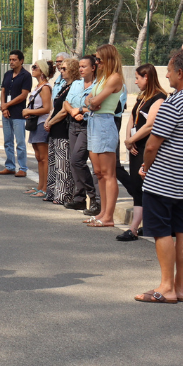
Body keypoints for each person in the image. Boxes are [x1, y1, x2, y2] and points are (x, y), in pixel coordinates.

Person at [134, 50, 183, 303]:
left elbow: (153, 144)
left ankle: (166, 286)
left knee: (162, 232)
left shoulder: (173, 102)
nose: (166, 74)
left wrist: (146, 166)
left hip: (164, 178)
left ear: (180, 72)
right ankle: (178, 287)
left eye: (168, 70)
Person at [116, 65, 167, 242]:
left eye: (138, 78)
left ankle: (134, 228)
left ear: (147, 77)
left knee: (145, 185)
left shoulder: (159, 98)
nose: (136, 81)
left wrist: (132, 140)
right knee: (138, 186)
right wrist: (129, 139)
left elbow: (150, 125)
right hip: (135, 146)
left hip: (147, 146)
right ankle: (142, 225)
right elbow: (132, 118)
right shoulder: (143, 96)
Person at [83, 44, 125, 228]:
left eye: (99, 59)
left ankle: (109, 216)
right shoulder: (102, 78)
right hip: (93, 122)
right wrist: (92, 102)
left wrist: (92, 102)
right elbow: (87, 99)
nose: (97, 62)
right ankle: (102, 211)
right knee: (98, 172)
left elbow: (95, 101)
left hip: (105, 123)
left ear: (108, 59)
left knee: (108, 174)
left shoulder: (115, 78)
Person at [62, 55, 98, 213]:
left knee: (78, 160)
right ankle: (79, 198)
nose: (81, 69)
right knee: (73, 161)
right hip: (74, 123)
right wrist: (73, 112)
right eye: (80, 67)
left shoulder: (98, 85)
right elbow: (66, 102)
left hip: (87, 125)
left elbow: (95, 105)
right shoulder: (76, 84)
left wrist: (81, 111)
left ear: (93, 68)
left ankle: (94, 197)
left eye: (84, 66)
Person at [43, 59, 78, 206]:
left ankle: (63, 195)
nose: (61, 71)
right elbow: (56, 106)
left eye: (64, 69)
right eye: (61, 69)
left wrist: (51, 122)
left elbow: (64, 111)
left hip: (63, 129)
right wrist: (48, 120)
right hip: (54, 129)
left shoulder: (75, 87)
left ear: (72, 70)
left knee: (62, 164)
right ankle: (51, 192)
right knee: (52, 163)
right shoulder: (63, 86)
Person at [22, 60, 54, 197]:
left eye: (35, 67)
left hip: (41, 124)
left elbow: (47, 108)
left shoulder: (45, 87)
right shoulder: (38, 87)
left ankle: (45, 188)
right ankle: (40, 186)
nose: (32, 68)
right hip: (35, 124)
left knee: (44, 157)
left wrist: (29, 112)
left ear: (42, 71)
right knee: (38, 157)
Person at [0, 50, 32, 177]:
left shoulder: (26, 76)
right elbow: (3, 91)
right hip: (6, 113)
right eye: (10, 59)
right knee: (8, 141)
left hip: (18, 114)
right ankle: (10, 166)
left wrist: (8, 104)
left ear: (21, 61)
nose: (11, 62)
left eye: (14, 60)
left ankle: (22, 167)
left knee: (20, 142)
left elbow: (23, 95)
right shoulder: (7, 74)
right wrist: (4, 107)